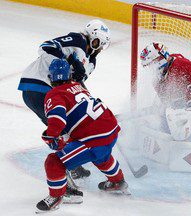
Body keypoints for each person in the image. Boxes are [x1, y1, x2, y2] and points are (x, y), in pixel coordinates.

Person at [18, 19, 111, 179]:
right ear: (92, 36)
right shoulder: (77, 40)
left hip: (50, 93)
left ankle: (71, 165)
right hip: (38, 85)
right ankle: (64, 176)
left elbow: (75, 83)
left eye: (102, 45)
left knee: (69, 129)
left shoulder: (91, 62)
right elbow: (46, 47)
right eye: (98, 42)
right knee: (60, 129)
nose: (99, 48)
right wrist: (70, 60)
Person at [36, 59, 128, 213]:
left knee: (54, 161)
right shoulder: (78, 86)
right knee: (102, 156)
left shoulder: (54, 93)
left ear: (51, 78)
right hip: (111, 129)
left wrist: (50, 136)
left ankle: (59, 196)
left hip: (94, 139)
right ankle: (117, 181)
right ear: (69, 74)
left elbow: (57, 119)